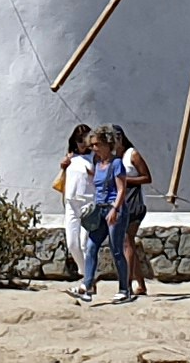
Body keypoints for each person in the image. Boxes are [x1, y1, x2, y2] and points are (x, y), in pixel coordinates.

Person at [100, 125, 151, 302]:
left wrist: (124, 179)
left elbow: (147, 177)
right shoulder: (113, 159)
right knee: (126, 243)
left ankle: (127, 285)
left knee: (127, 241)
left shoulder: (132, 155)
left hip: (133, 203)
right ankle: (141, 284)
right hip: (119, 204)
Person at [53, 124, 101, 300]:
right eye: (79, 140)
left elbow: (102, 177)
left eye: (85, 139)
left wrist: (93, 172)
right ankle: (87, 275)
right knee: (72, 243)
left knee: (84, 243)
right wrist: (63, 166)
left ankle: (88, 282)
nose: (82, 143)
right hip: (71, 203)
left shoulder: (94, 158)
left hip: (88, 203)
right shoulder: (70, 157)